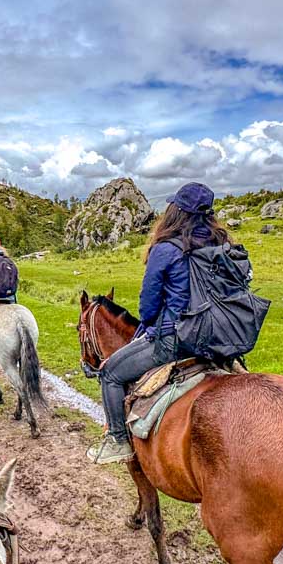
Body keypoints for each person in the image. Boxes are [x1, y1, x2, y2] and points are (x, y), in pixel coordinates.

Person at [87, 182, 230, 464]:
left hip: (177, 340)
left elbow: (148, 307)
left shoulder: (166, 249)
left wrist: (153, 324)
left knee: (110, 373)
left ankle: (117, 439)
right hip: (217, 339)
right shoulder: (222, 244)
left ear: (176, 212)